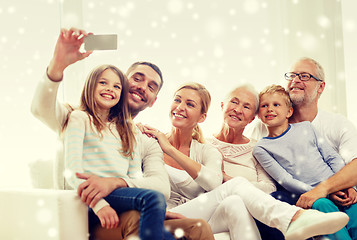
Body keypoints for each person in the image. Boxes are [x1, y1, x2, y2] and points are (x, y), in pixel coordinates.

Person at [31, 27, 214, 240]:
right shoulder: (77, 116)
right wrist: (58, 64)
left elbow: (160, 188)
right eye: (137, 78)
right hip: (87, 215)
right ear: (122, 82)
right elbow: (40, 109)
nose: (143, 87)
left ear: (153, 100)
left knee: (198, 228)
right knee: (136, 221)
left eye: (152, 86)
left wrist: (117, 182)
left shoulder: (145, 140)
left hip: (132, 210)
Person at [140, 82, 349, 240]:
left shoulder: (208, 150)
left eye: (247, 107)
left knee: (234, 201)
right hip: (161, 212)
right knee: (235, 187)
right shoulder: (150, 141)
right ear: (222, 106)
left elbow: (214, 183)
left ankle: (294, 219)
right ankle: (294, 218)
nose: (181, 107)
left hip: (194, 213)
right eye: (177, 100)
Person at [244, 57, 357, 239]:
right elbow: (283, 178)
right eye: (292, 75)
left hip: (338, 190)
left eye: (304, 76)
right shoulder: (260, 139)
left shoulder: (323, 126)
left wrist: (346, 187)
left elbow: (337, 160)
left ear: (320, 87)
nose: (296, 80)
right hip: (306, 196)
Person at [63, 63, 173, 240]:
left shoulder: (128, 130)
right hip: (91, 198)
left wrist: (157, 211)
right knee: (153, 198)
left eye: (116, 86)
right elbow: (73, 173)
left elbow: (134, 176)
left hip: (118, 196)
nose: (109, 89)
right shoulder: (79, 118)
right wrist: (100, 205)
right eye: (103, 83)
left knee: (167, 235)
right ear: (90, 84)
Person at [208, 85, 276, 194]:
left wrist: (226, 178)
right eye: (234, 102)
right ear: (222, 106)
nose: (238, 110)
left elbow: (269, 188)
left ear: (252, 119)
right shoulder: (202, 143)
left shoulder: (257, 149)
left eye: (246, 107)